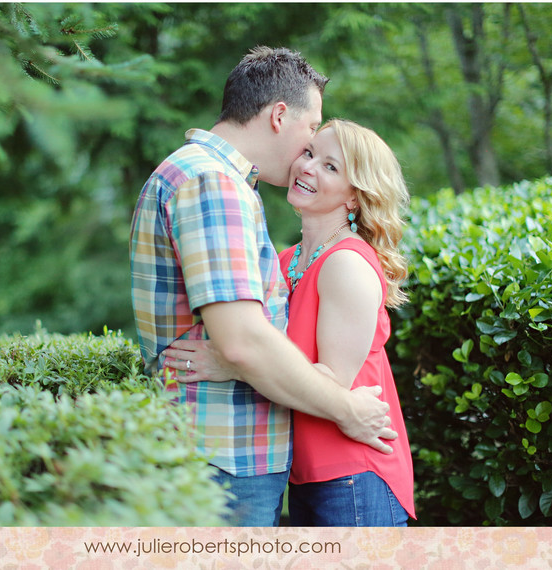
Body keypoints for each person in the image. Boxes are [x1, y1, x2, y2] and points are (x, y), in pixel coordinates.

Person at [129, 47, 397, 527]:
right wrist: (348, 409)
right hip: (224, 454)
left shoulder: (213, 180)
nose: (307, 154)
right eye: (311, 132)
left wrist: (233, 359)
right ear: (279, 116)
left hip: (248, 458)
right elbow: (245, 340)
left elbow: (247, 344)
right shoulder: (214, 184)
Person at [165, 119, 416, 526]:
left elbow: (332, 380)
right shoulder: (285, 262)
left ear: (355, 197)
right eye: (310, 153)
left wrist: (232, 364)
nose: (308, 168)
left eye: (331, 167)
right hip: (305, 473)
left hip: (354, 472)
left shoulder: (346, 263)